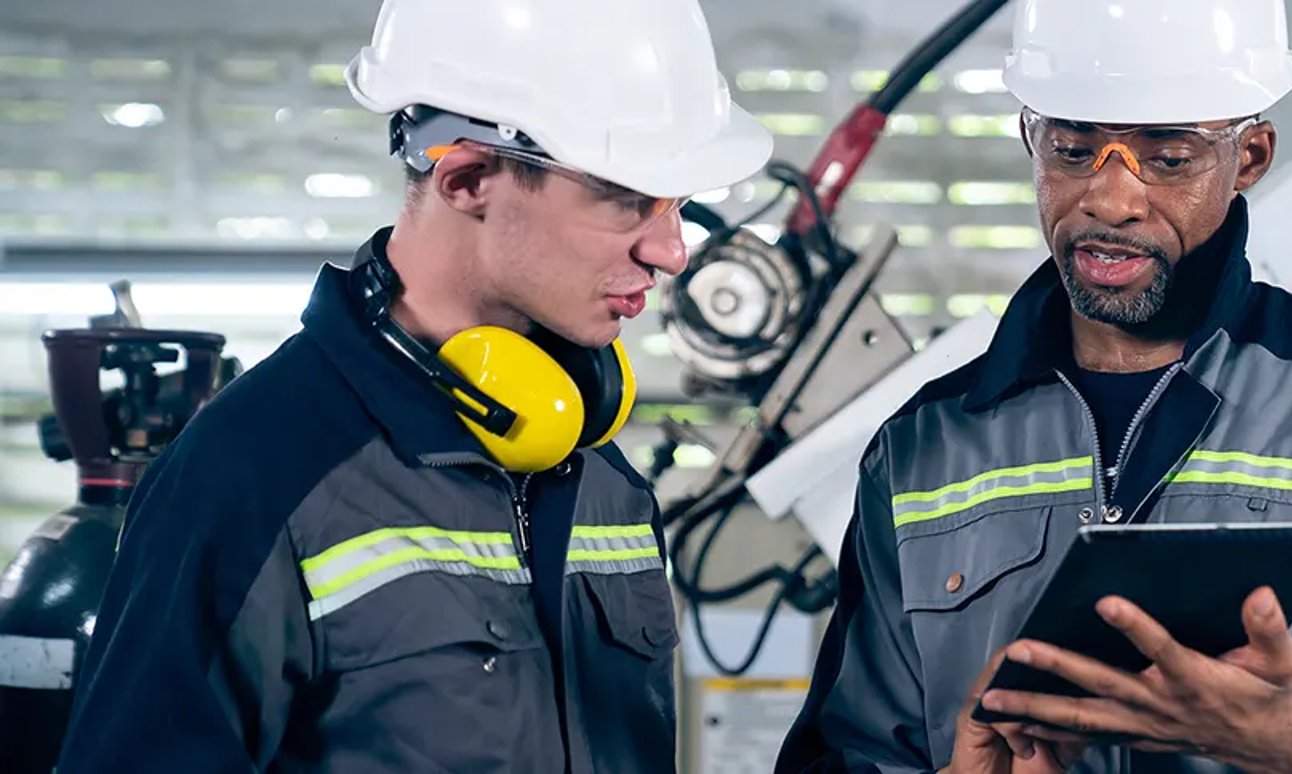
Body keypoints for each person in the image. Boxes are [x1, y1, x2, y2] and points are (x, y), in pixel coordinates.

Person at [775, 0, 1292, 771]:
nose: (1110, 199)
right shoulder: (922, 449)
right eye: (1073, 150)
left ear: (1249, 158)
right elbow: (845, 755)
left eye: (1170, 158)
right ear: (1031, 142)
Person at [55, 0, 771, 770]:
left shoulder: (603, 476)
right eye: (628, 198)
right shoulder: (248, 480)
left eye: (677, 206)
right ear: (467, 178)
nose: (670, 252)